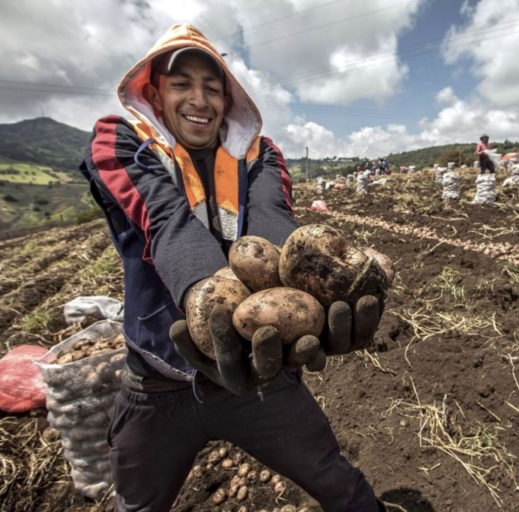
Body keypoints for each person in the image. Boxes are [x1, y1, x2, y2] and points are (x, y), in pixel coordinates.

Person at [80, 24, 386, 511]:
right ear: (156, 93)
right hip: (158, 382)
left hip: (256, 371)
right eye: (182, 84)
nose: (198, 99)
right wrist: (211, 303)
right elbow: (164, 220)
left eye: (213, 88)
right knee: (137, 506)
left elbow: (271, 219)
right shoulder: (119, 142)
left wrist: (317, 285)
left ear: (228, 100)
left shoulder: (258, 154)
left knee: (338, 483)